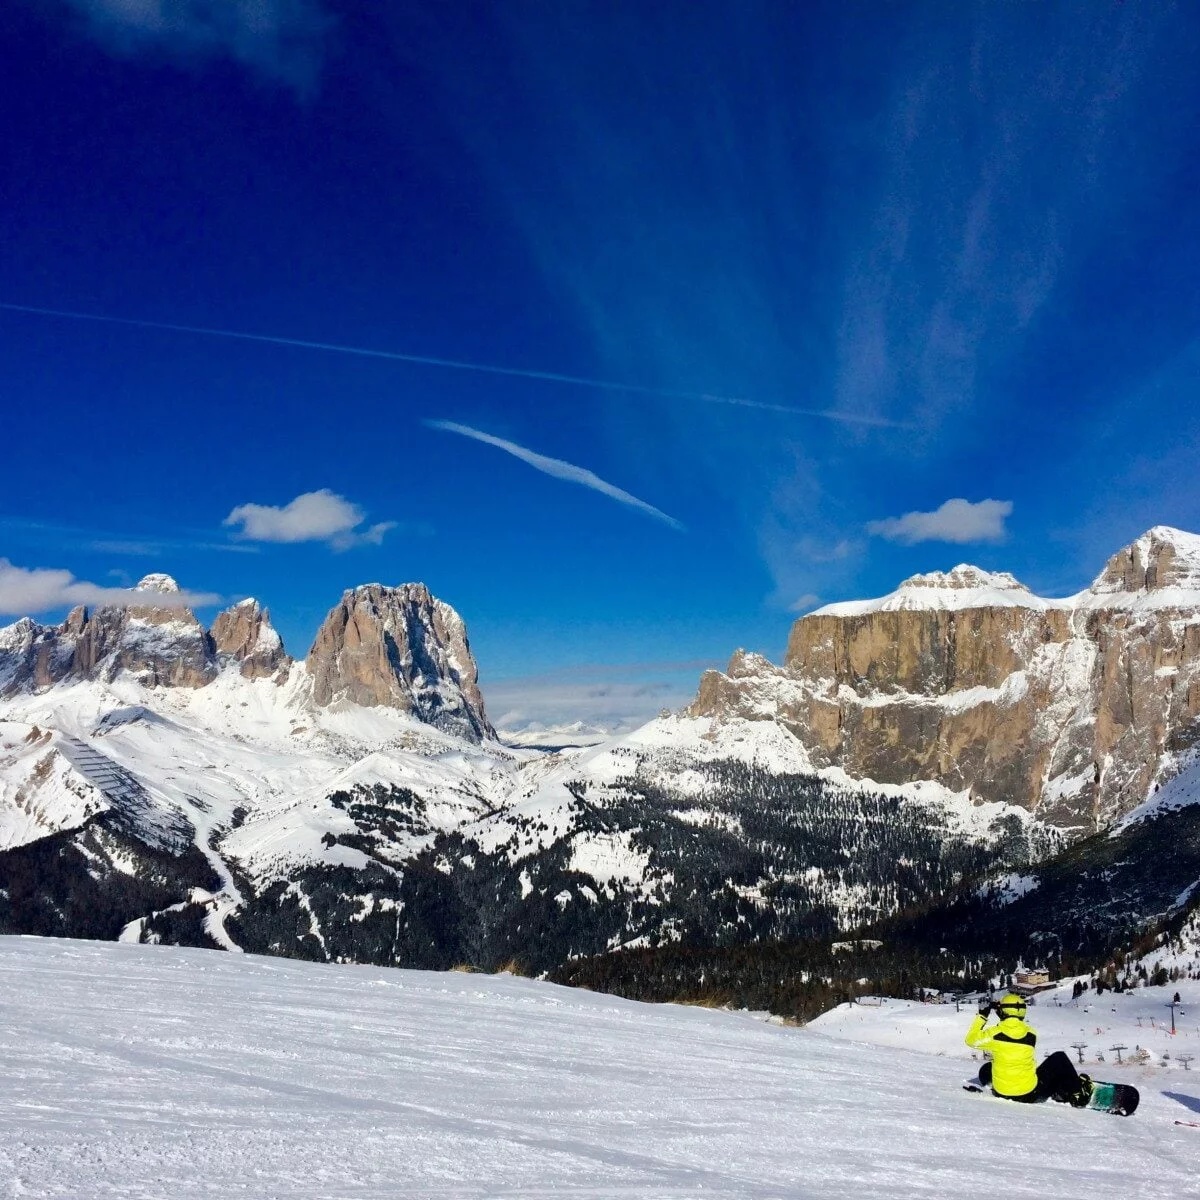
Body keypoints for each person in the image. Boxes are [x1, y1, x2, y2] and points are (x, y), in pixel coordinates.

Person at [965, 992, 1092, 1106]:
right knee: (1059, 1057)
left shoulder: (994, 1034)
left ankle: (1072, 1094)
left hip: (1001, 1092)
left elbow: (971, 1040)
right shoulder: (1031, 1034)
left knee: (987, 1069)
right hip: (1028, 1093)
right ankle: (1076, 1093)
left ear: (1002, 1012)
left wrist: (983, 1015)